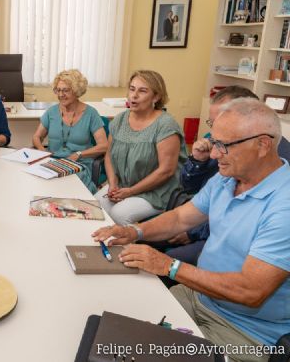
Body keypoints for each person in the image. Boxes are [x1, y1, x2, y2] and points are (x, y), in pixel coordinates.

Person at [93, 99, 290, 361]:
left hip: (244, 332)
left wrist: (170, 267)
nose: (214, 154)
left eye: (224, 145)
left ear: (263, 144)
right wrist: (135, 231)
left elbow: (251, 291)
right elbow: (180, 219)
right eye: (214, 141)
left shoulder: (284, 206)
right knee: (115, 330)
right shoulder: (226, 177)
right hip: (198, 296)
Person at [165, 86, 290, 265]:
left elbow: (238, 220)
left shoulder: (276, 161)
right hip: (202, 221)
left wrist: (192, 232)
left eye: (225, 118)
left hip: (216, 237)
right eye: (213, 122)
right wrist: (197, 161)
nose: (215, 152)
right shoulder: (217, 140)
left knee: (167, 262)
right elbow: (188, 187)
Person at [94, 70, 187, 225]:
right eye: (132, 89)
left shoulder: (166, 125)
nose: (134, 95)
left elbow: (166, 171)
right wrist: (112, 184)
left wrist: (130, 192)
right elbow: (109, 155)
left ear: (156, 97)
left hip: (158, 191)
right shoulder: (120, 120)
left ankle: (130, 248)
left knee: (119, 214)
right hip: (125, 184)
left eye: (142, 91)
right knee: (96, 207)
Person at [31, 69, 107, 192]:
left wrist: (79, 154)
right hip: (53, 162)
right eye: (58, 90)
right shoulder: (51, 112)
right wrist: (42, 151)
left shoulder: (91, 114)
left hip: (79, 165)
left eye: (66, 90)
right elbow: (36, 137)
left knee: (64, 185)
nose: (61, 94)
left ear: (76, 91)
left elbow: (104, 146)